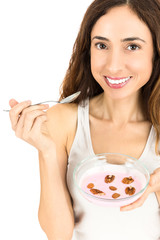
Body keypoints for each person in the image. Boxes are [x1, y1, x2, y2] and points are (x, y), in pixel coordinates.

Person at [9, 0, 160, 239]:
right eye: (101, 45)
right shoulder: (62, 121)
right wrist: (47, 150)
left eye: (132, 47)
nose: (113, 65)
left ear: (156, 52)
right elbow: (59, 234)